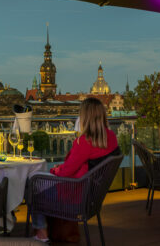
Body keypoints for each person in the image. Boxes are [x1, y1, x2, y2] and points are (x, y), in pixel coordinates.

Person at [32, 97, 119, 242]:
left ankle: (41, 233)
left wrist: (55, 170)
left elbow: (66, 171)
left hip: (76, 195)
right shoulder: (111, 137)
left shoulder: (85, 141)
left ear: (85, 117)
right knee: (40, 184)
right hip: (92, 197)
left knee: (34, 186)